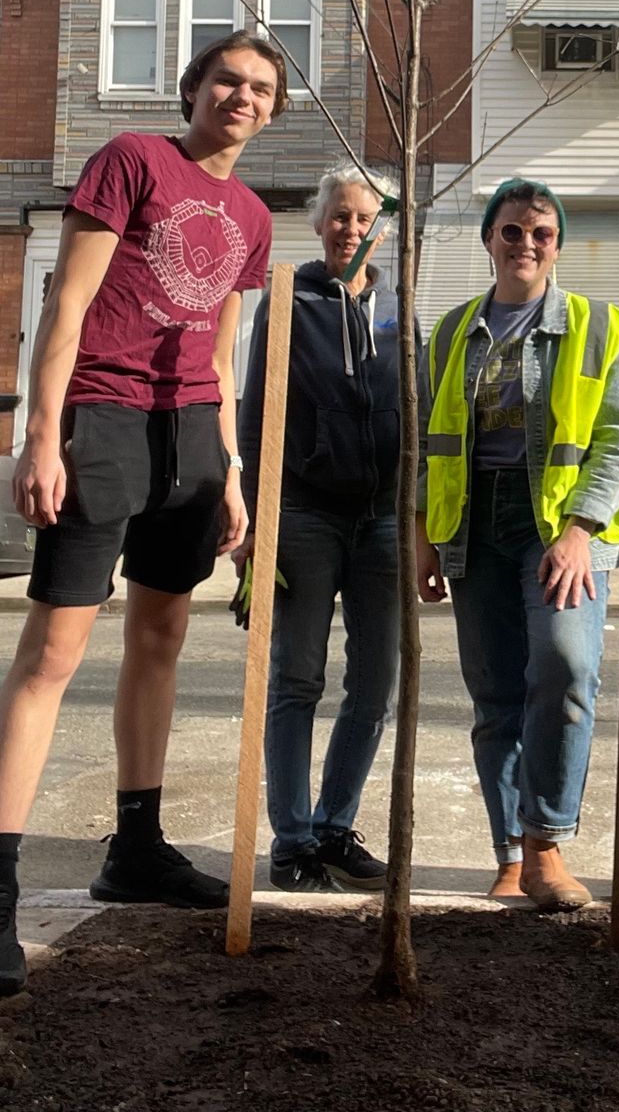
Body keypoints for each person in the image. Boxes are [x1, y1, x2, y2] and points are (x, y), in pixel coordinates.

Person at [0, 30, 284, 996]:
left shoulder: (251, 215)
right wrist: (42, 437)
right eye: (227, 81)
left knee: (161, 636)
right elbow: (66, 307)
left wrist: (232, 470)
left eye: (259, 89)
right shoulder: (131, 160)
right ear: (193, 89)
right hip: (106, 420)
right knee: (53, 654)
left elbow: (223, 355)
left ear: (273, 109)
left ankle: (136, 848)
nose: (241, 97)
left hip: (193, 435)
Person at [415, 178, 619, 911]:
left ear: (558, 246)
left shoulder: (596, 325)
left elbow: (617, 438)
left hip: (559, 530)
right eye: (511, 231)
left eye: (541, 233)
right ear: (489, 240)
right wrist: (425, 535)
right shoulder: (449, 332)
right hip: (476, 526)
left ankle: (547, 841)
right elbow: (427, 441)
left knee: (567, 672)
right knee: (496, 696)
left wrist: (580, 531)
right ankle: (508, 850)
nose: (525, 245)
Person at [235, 163, 409, 893]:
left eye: (365, 217)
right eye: (339, 215)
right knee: (296, 679)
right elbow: (254, 418)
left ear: (383, 228)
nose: (351, 229)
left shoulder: (398, 308)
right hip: (303, 513)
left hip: (382, 522)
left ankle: (337, 826)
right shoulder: (287, 300)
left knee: (374, 684)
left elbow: (418, 412)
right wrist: (252, 521)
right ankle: (293, 840)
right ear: (319, 222)